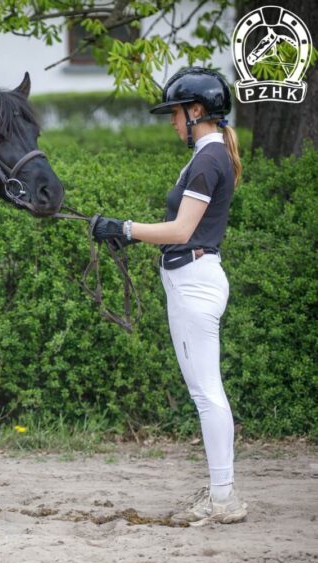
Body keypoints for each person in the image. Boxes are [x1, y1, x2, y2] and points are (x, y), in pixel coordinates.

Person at [91, 66, 248, 526]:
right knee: (205, 391)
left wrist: (124, 229)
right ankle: (221, 491)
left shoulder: (206, 159)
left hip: (194, 282)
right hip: (192, 276)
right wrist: (129, 233)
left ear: (196, 111)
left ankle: (223, 497)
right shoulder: (210, 153)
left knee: (206, 393)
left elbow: (182, 229)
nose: (173, 122)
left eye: (176, 113)